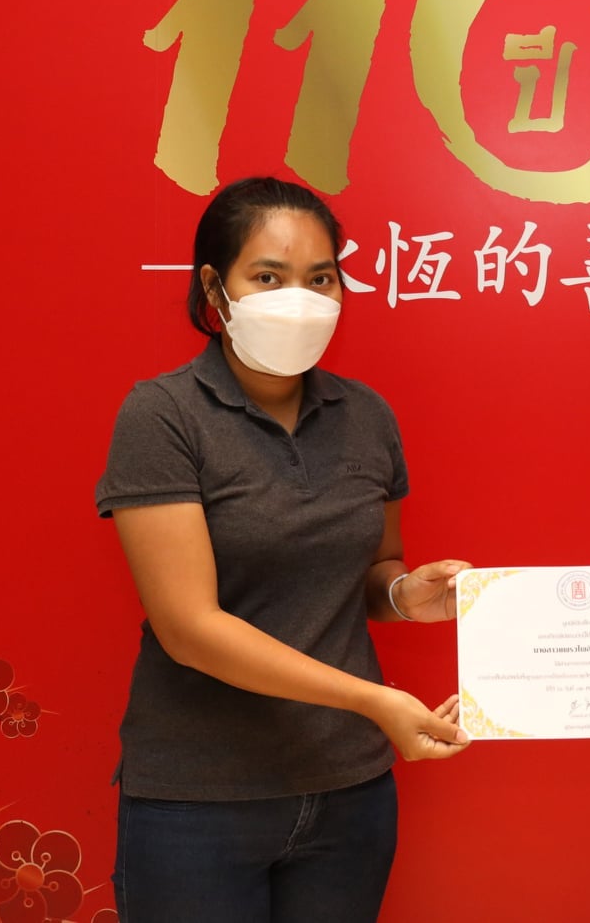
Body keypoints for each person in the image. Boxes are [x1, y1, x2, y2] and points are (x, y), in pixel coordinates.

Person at [96, 176, 470, 923]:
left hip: (349, 791)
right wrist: (373, 700)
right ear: (216, 288)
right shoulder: (162, 415)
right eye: (268, 277)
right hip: (200, 798)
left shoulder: (366, 415)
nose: (298, 299)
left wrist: (406, 597)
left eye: (320, 278)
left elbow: (373, 574)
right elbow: (188, 627)